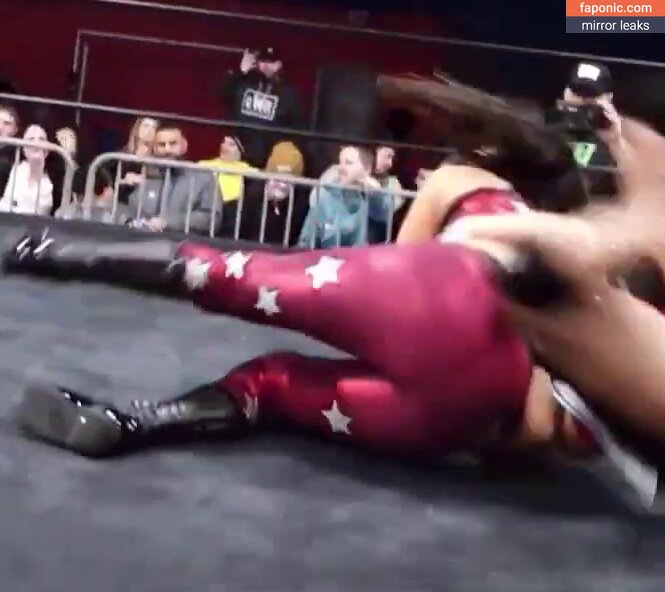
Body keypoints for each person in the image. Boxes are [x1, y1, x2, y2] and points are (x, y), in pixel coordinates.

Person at [5, 82, 664, 505]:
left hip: (448, 292)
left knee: (221, 274)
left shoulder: (470, 184)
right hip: (474, 406)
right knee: (270, 387)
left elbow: (402, 260)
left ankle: (37, 252)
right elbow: (533, 435)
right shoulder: (597, 295)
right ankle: (134, 423)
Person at [127, 122, 220, 235]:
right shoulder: (145, 174)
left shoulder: (204, 177)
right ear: (155, 149)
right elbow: (124, 208)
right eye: (162, 145)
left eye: (173, 144)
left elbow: (211, 218)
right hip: (142, 239)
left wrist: (169, 223)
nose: (167, 149)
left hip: (184, 242)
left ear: (184, 146)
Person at [0, 124, 53, 216]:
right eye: (31, 139)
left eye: (41, 139)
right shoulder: (9, 170)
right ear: (24, 149)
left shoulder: (53, 181)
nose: (36, 143)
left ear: (47, 150)